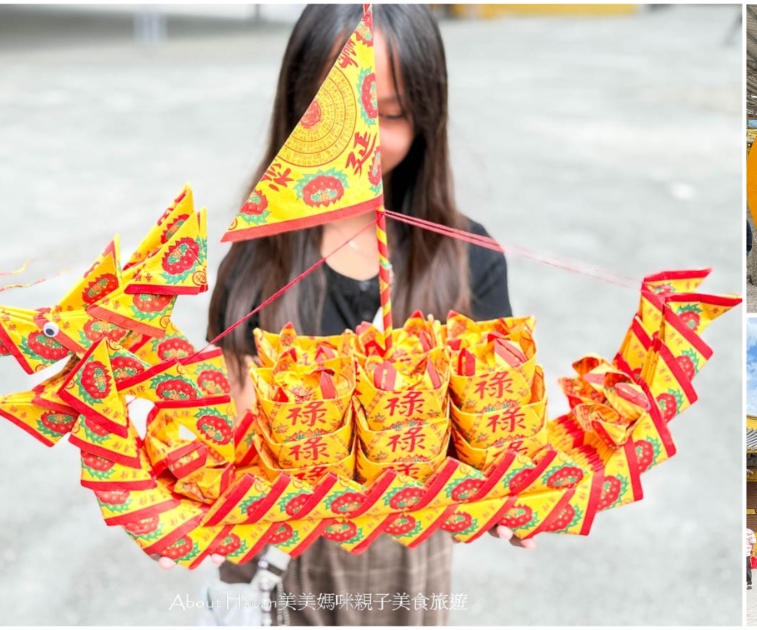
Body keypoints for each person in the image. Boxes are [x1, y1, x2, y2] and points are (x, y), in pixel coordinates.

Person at [205, 6, 521, 624]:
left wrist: (509, 493)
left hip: (408, 565)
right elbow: (234, 430)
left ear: (428, 114)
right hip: (285, 561)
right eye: (339, 111)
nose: (363, 141)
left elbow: (494, 431)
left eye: (393, 113)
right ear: (297, 104)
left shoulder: (466, 261)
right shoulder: (257, 261)